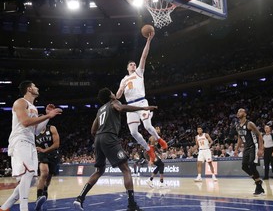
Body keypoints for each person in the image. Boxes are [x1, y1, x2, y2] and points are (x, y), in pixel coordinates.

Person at [73, 87, 157, 211]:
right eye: (113, 92)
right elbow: (121, 108)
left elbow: (92, 130)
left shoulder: (100, 110)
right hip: (109, 138)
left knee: (99, 171)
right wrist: (143, 108)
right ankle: (132, 205)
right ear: (111, 96)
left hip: (98, 139)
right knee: (126, 170)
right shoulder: (114, 103)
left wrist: (100, 137)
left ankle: (80, 198)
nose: (114, 94)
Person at [0, 80, 62, 211]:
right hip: (20, 141)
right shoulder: (20, 102)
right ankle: (24, 208)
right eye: (35, 86)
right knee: (27, 175)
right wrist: (47, 115)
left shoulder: (33, 107)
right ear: (29, 89)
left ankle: (5, 207)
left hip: (30, 142)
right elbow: (25, 122)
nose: (37, 87)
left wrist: (47, 116)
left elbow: (37, 130)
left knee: (32, 180)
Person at [116, 32, 167, 161]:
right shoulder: (123, 80)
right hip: (129, 106)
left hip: (141, 103)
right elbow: (117, 96)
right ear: (127, 68)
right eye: (131, 64)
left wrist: (148, 41)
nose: (133, 65)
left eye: (134, 64)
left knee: (148, 126)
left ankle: (159, 140)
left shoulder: (139, 72)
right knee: (133, 132)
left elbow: (144, 57)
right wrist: (121, 89)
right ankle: (148, 149)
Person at [234, 108, 264, 196]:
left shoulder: (250, 124)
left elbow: (259, 135)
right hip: (246, 148)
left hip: (253, 146)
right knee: (244, 166)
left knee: (252, 165)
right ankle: (258, 181)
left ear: (245, 114)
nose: (238, 112)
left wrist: (261, 149)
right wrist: (236, 149)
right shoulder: (237, 126)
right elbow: (240, 138)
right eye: (238, 111)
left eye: (241, 111)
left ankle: (258, 187)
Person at [34, 125, 60, 210]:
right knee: (44, 173)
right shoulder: (33, 131)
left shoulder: (52, 128)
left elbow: (56, 144)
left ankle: (45, 190)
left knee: (48, 178)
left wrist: (45, 150)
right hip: (41, 154)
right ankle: (38, 197)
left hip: (53, 154)